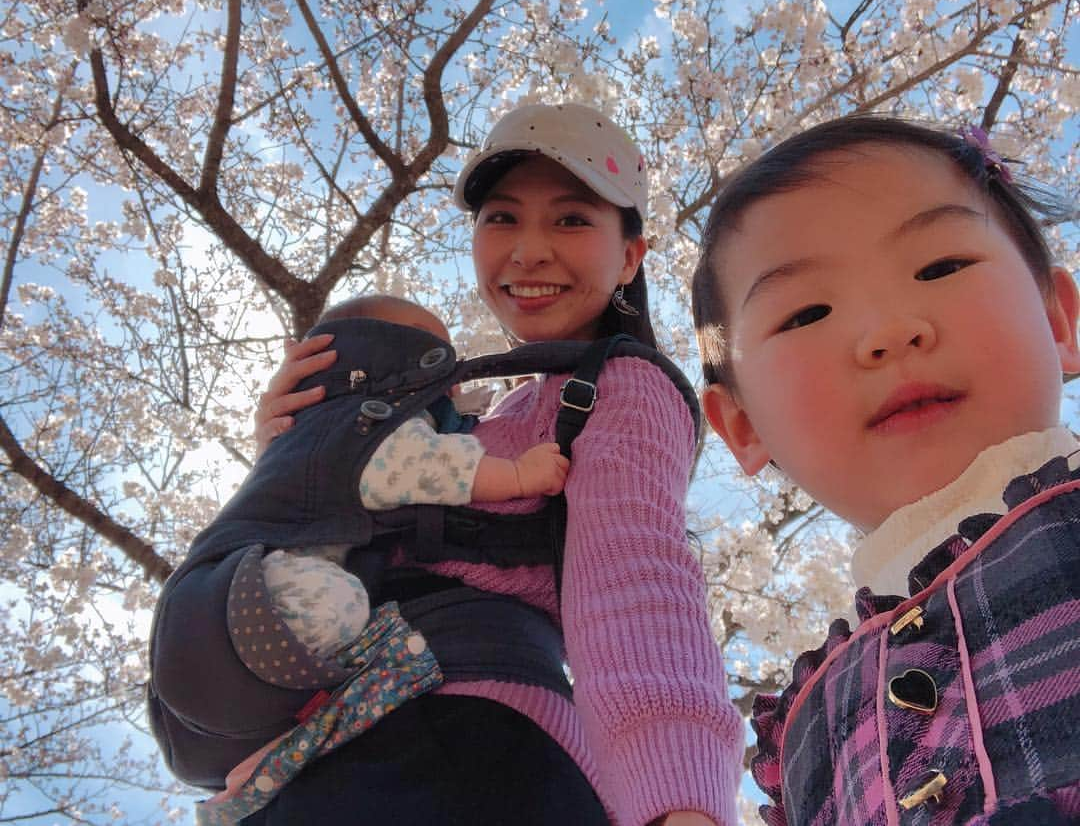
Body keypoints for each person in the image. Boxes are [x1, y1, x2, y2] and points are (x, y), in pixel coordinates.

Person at [159, 103, 743, 826]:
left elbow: (633, 572)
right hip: (338, 746)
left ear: (629, 256)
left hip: (462, 752)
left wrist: (677, 804)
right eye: (501, 218)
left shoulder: (621, 385)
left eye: (570, 219)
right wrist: (295, 452)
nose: (528, 251)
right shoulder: (479, 421)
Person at [691, 116, 1080, 825]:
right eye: (807, 313)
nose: (888, 331)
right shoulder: (804, 722)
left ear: (1059, 320)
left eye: (941, 267)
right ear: (741, 426)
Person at [196, 293, 570, 820]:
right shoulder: (370, 424)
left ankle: (278, 762)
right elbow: (409, 464)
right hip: (429, 696)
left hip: (235, 623)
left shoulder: (329, 431)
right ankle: (299, 746)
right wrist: (516, 475)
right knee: (371, 640)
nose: (451, 377)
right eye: (431, 354)